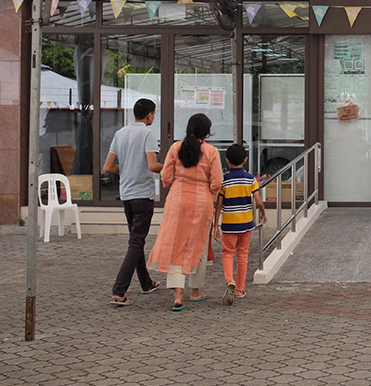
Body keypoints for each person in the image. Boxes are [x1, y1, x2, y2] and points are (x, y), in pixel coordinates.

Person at [148, 114, 223, 311]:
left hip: (177, 200)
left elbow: (165, 177)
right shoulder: (211, 151)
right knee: (197, 244)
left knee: (175, 243)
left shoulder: (175, 148)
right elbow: (217, 183)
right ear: (207, 132)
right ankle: (195, 291)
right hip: (201, 203)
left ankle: (177, 295)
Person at [105, 98, 164, 307]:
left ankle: (146, 283)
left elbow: (108, 167)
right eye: (154, 114)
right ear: (149, 114)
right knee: (136, 242)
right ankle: (119, 290)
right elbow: (152, 164)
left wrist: (127, 168)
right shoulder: (148, 133)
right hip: (143, 195)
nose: (153, 117)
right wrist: (170, 169)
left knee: (136, 241)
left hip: (127, 196)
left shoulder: (120, 133)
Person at [213, 144, 267, 305]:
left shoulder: (224, 180)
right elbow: (257, 200)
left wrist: (216, 224)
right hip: (246, 224)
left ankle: (230, 280)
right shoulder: (250, 179)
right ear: (245, 159)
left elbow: (219, 204)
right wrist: (263, 212)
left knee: (227, 252)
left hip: (229, 224)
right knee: (242, 254)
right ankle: (240, 290)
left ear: (227, 161)